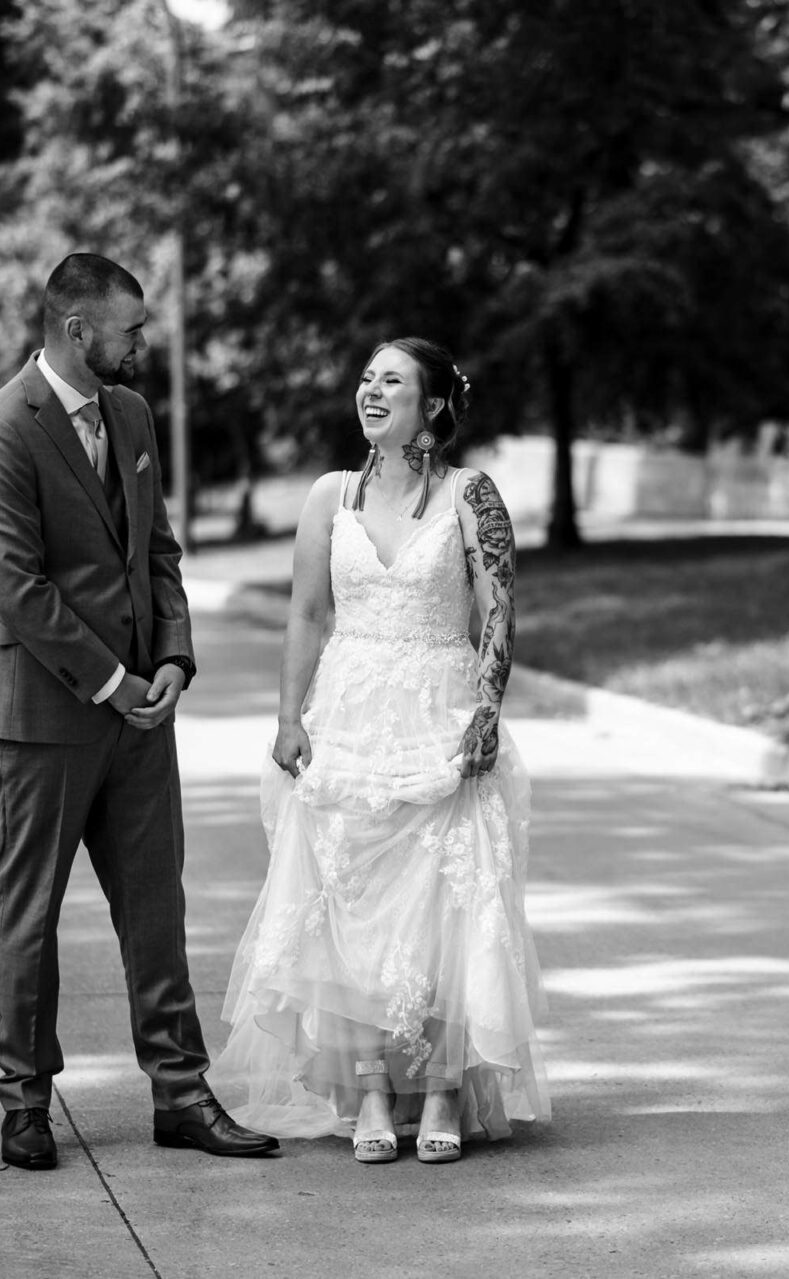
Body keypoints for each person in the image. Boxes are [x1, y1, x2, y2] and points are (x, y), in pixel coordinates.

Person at [0, 252, 277, 1170]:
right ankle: (24, 1102)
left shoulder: (130, 414)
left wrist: (173, 656)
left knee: (155, 907)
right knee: (31, 913)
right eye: (131, 331)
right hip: (40, 718)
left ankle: (180, 1093)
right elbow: (20, 590)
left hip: (143, 715)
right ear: (76, 332)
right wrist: (113, 682)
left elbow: (159, 552)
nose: (144, 345)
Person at [212, 337, 550, 1164]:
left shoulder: (473, 494)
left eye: (390, 380)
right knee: (348, 904)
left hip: (441, 709)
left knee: (442, 904)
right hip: (348, 713)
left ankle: (438, 1089)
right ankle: (368, 1087)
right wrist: (289, 720)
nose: (370, 390)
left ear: (432, 404)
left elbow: (499, 611)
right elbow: (304, 616)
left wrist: (487, 713)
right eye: (365, 377)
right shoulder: (331, 494)